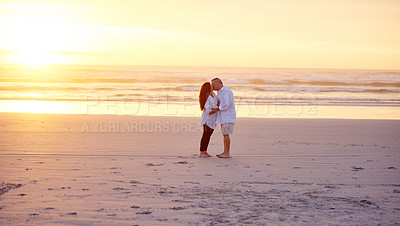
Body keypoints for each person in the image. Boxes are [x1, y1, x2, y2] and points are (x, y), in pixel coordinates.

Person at [209, 78, 236, 158]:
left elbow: (226, 104)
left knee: (226, 134)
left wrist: (216, 109)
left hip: (228, 116)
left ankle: (227, 153)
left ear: (218, 83)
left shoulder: (226, 91)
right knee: (224, 134)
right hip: (223, 117)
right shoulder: (220, 92)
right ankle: (225, 152)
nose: (212, 86)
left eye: (213, 84)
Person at [199, 82, 218, 158]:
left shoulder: (213, 95)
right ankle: (201, 151)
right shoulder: (207, 98)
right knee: (205, 135)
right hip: (207, 119)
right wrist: (217, 109)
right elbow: (209, 111)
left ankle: (205, 151)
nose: (212, 86)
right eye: (211, 86)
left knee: (209, 135)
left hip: (213, 119)